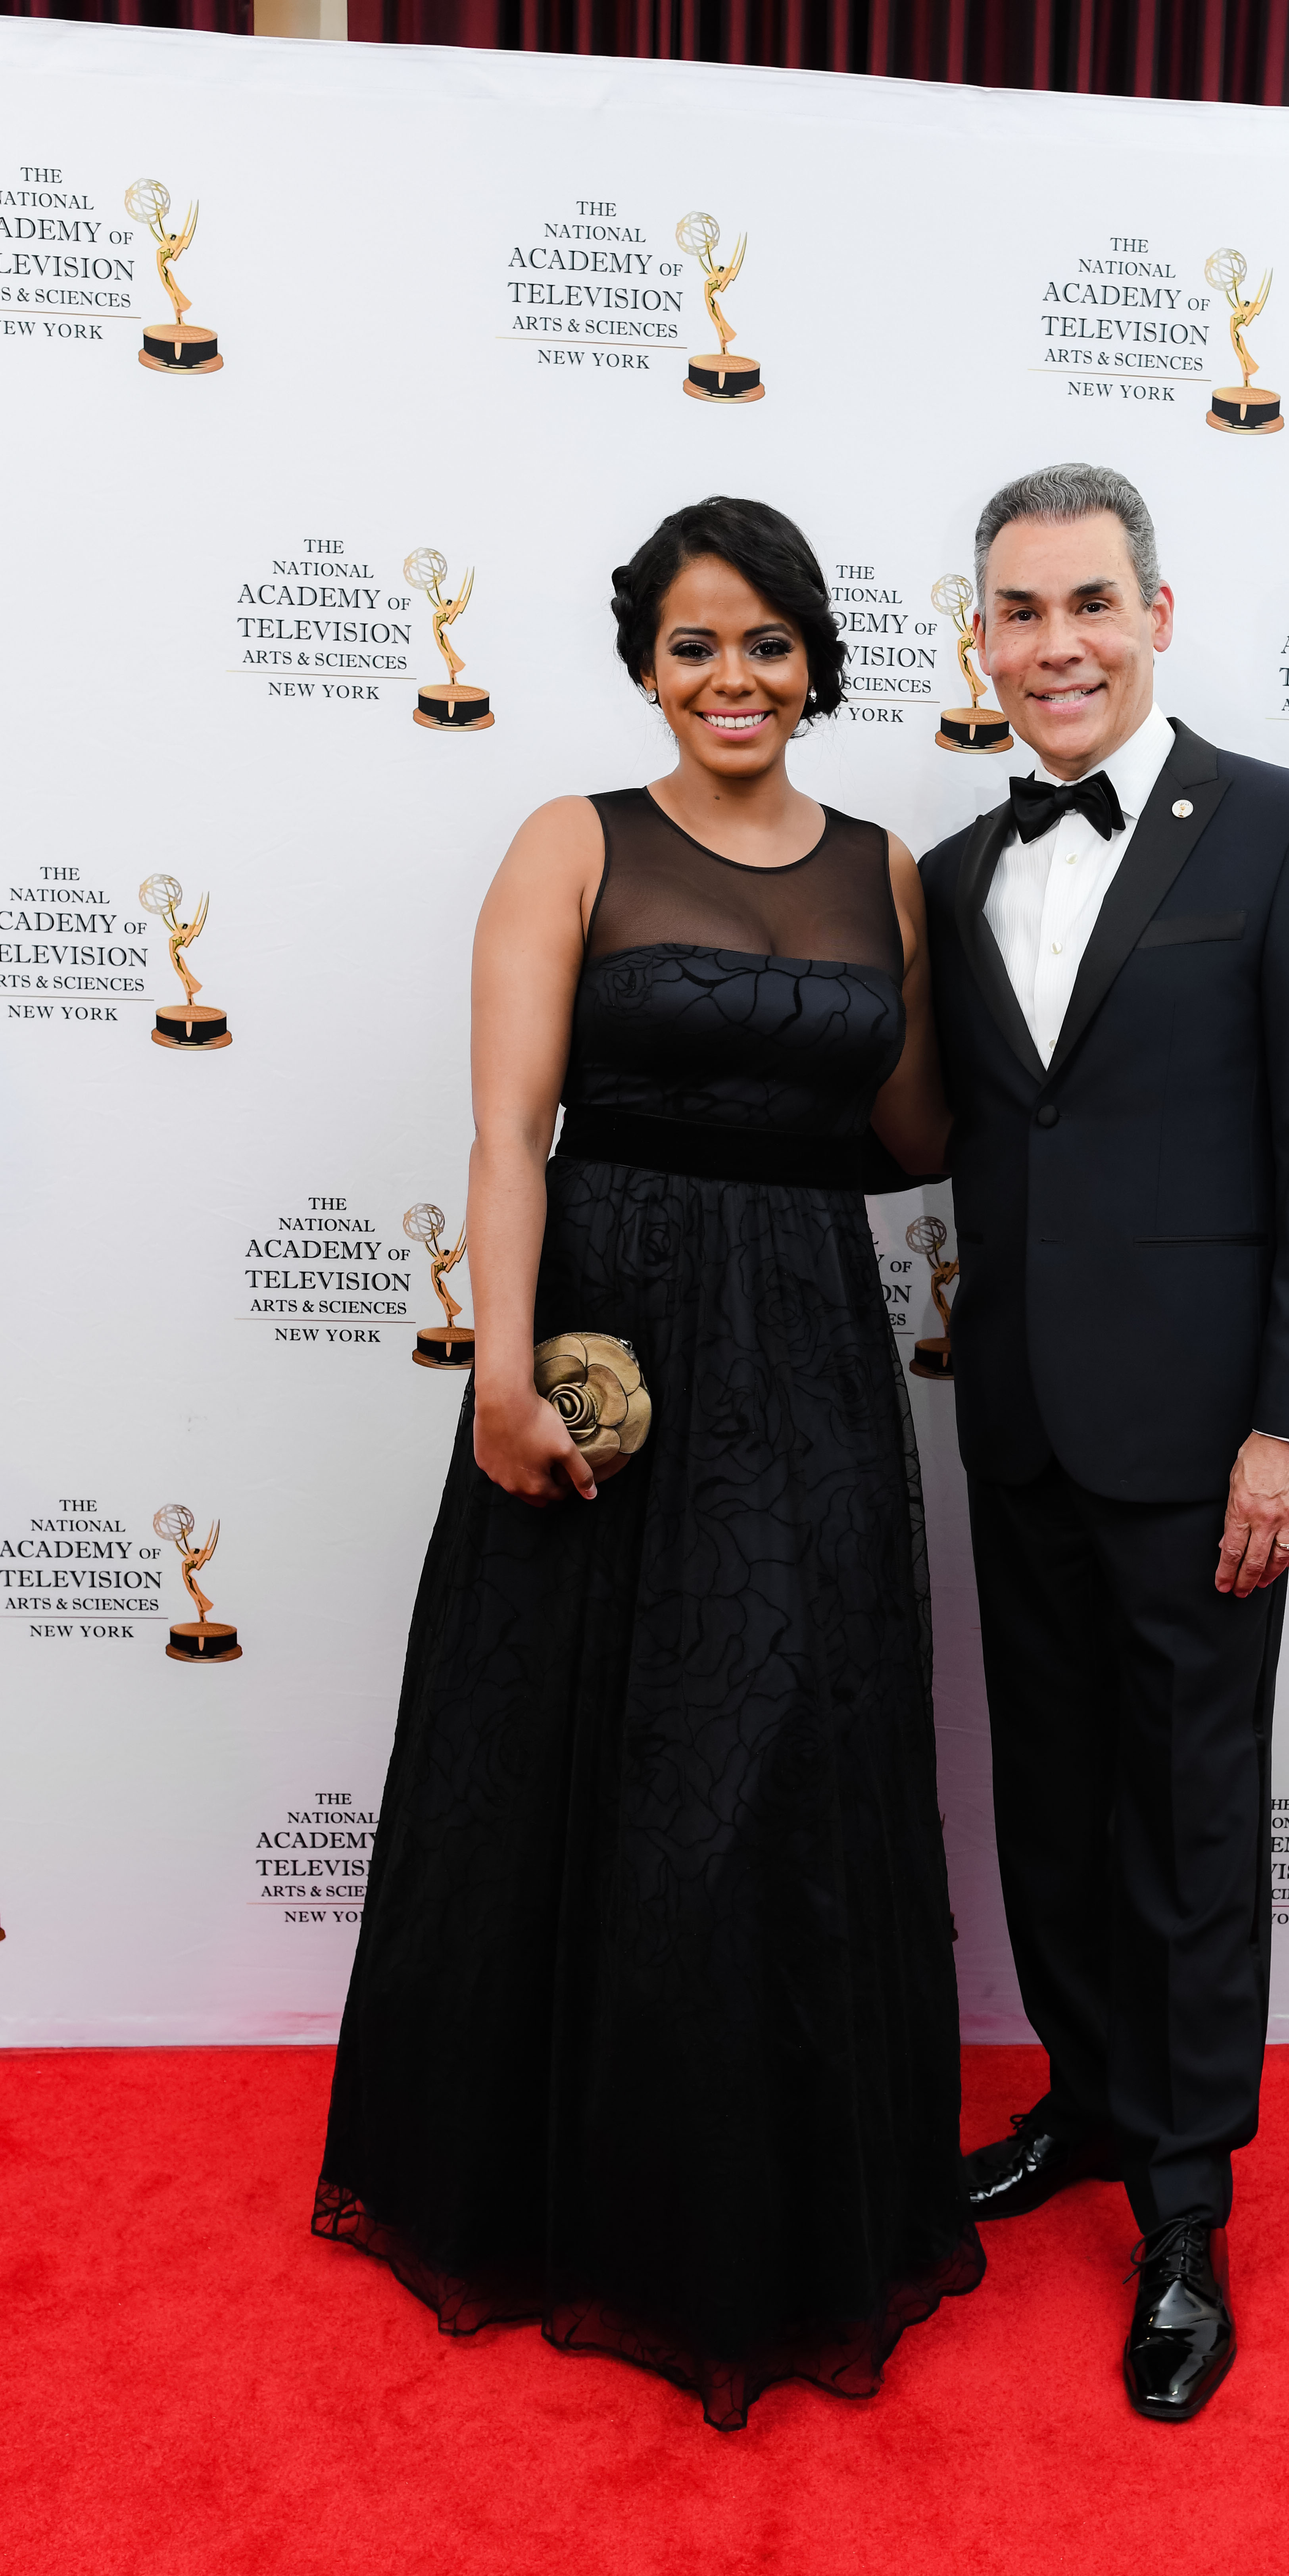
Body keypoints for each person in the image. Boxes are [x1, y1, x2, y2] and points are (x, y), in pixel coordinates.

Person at [316, 496, 984, 2430]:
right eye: (696, 644)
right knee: (588, 1761)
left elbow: (921, 1130)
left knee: (776, 1759)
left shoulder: (882, 872)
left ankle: (762, 2199)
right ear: (646, 665)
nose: (733, 677)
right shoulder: (573, 841)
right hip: (614, 1346)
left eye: (768, 642)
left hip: (814, 1349)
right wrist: (498, 1376)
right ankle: (572, 2195)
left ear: (816, 663)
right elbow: (506, 1136)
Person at [920, 464, 1289, 2421]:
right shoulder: (949, 871)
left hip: (1208, 1439)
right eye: (1020, 612)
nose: (1059, 645)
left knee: (1191, 1819)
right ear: (980, 641)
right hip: (1021, 1421)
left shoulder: (1284, 830)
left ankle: (1185, 2207)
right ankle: (1093, 2103)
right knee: (1048, 1798)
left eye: (1091, 602)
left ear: (1160, 613)